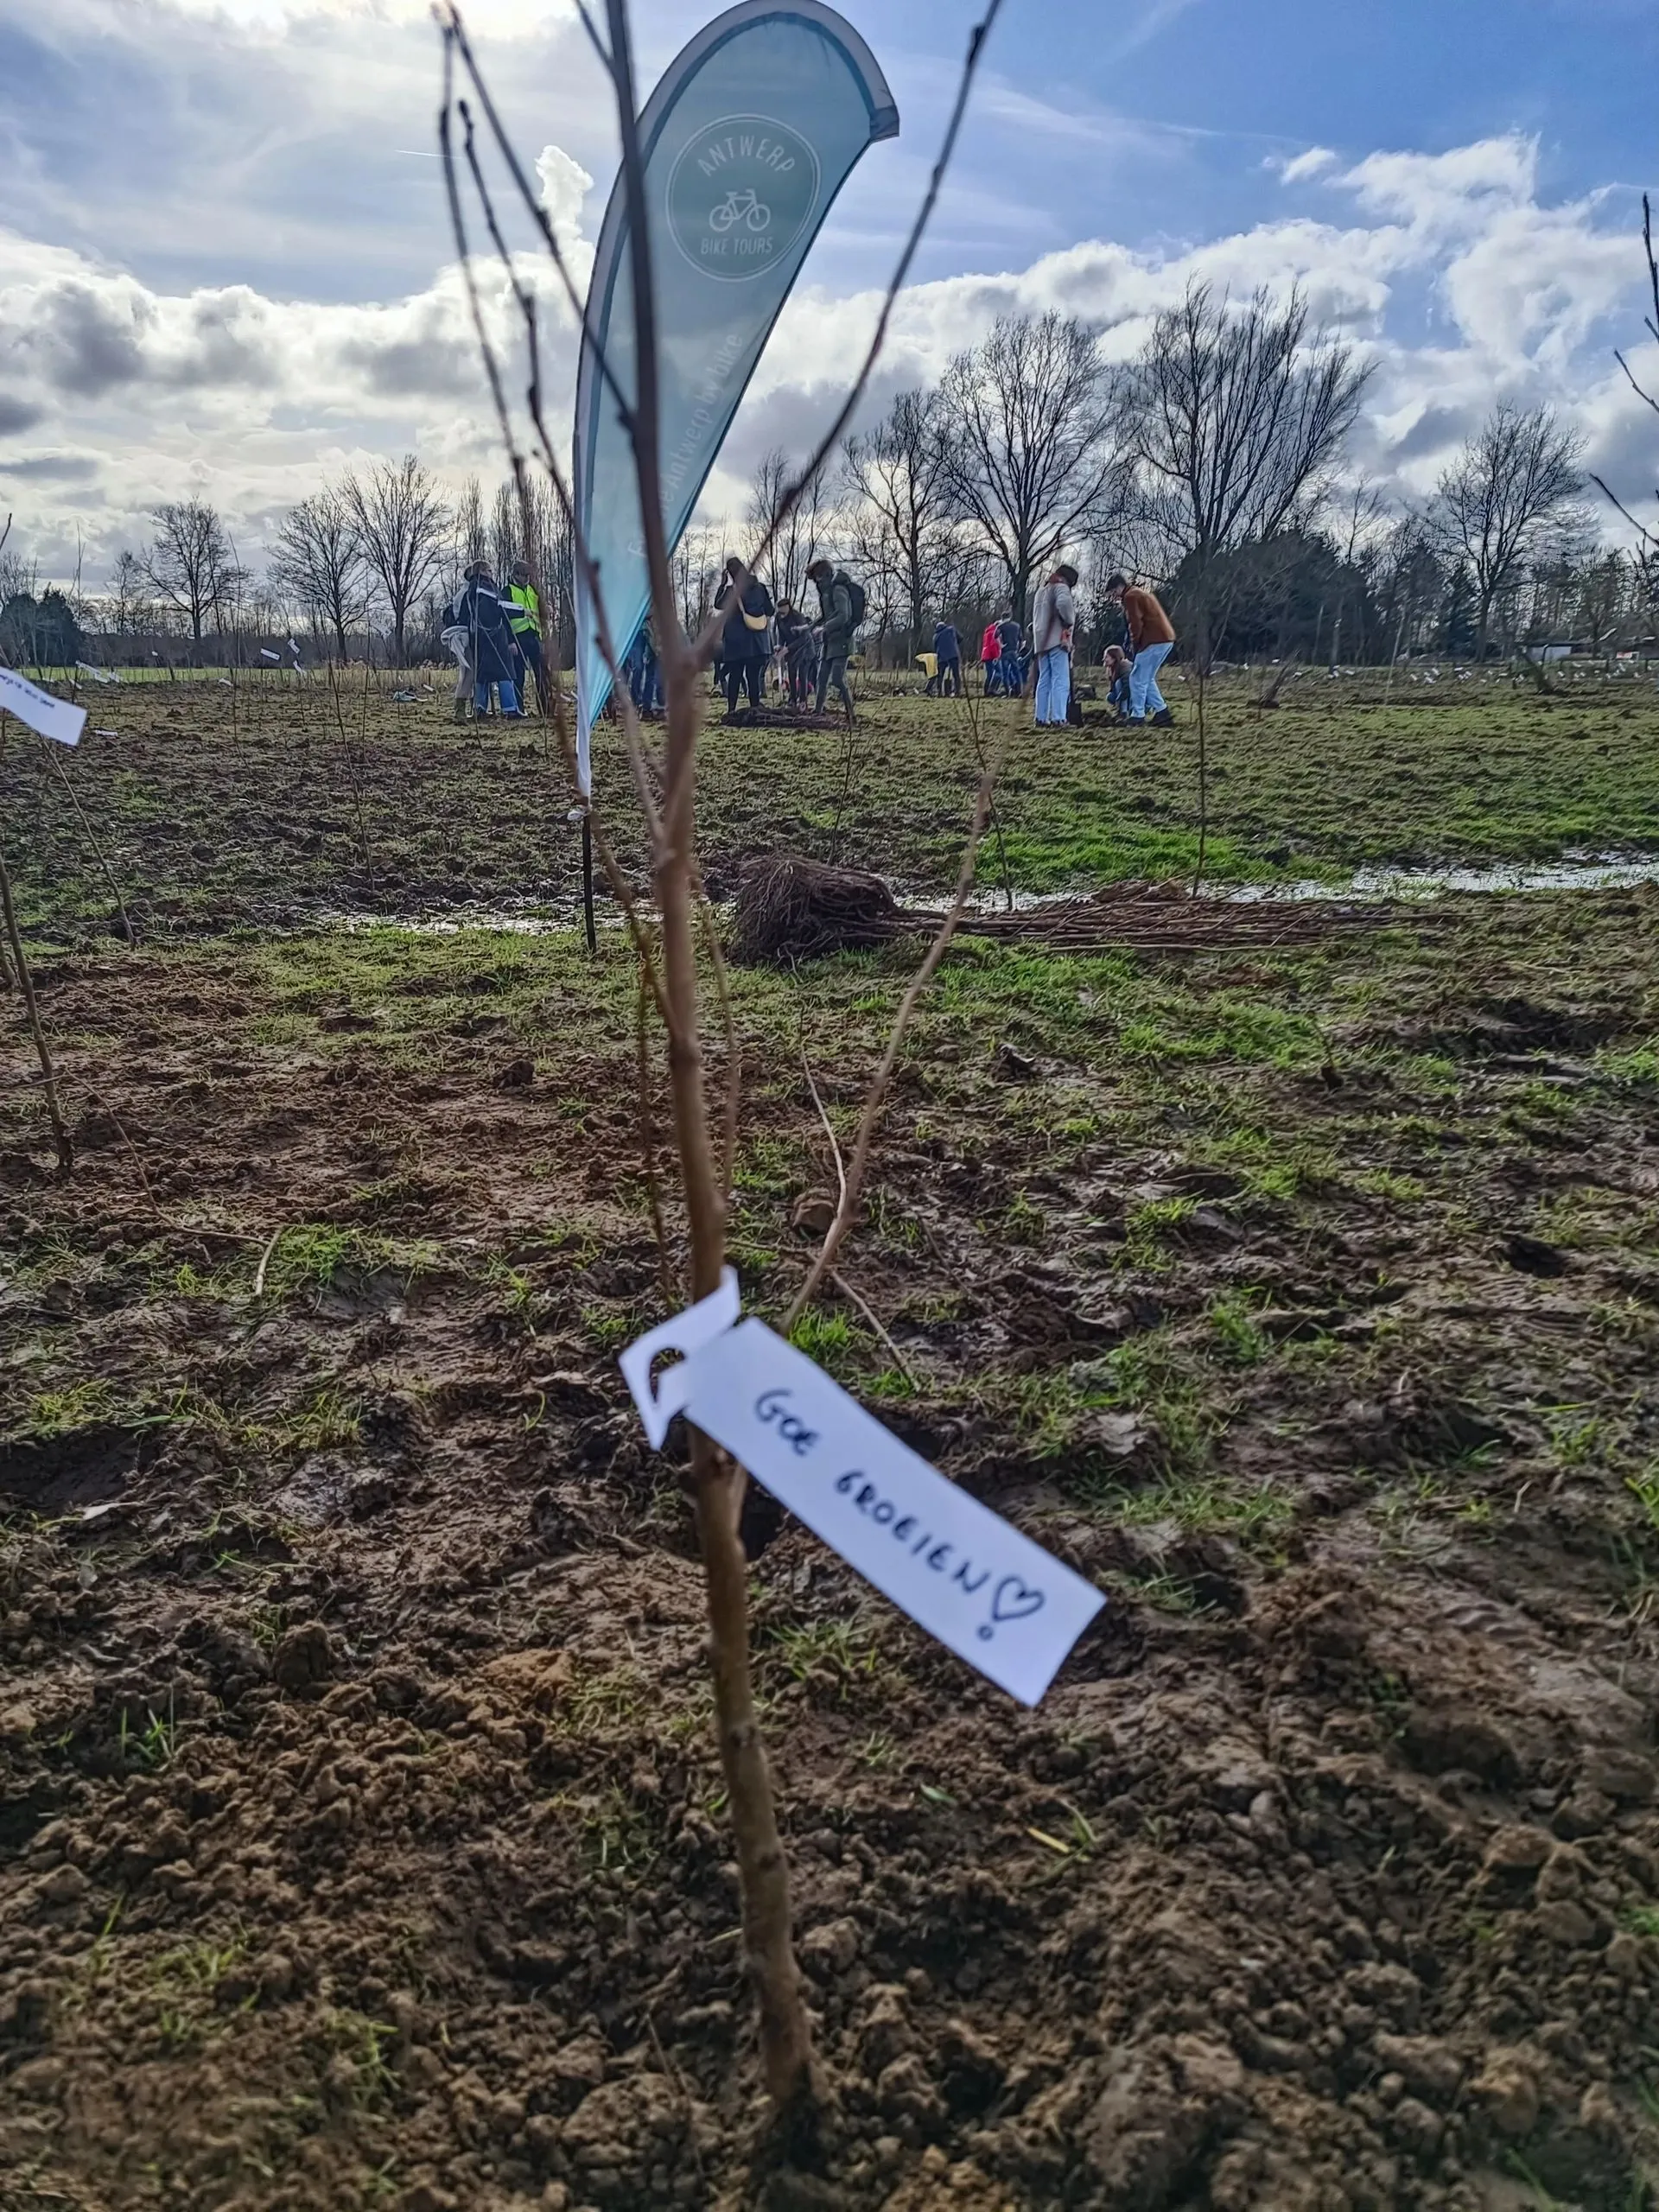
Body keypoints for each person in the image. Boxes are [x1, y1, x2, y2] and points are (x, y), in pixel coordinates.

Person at [450, 562, 523, 719]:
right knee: (504, 672)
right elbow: (499, 607)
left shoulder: (470, 590)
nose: (491, 573)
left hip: (477, 636)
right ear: (482, 571)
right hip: (492, 636)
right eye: (489, 570)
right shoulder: (483, 588)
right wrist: (523, 611)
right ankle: (509, 708)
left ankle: (479, 707)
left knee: (481, 673)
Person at [1106, 572, 1176, 726]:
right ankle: (1162, 712)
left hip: (1153, 640)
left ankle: (1138, 715)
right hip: (1165, 638)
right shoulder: (1139, 593)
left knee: (1136, 678)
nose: (1114, 597)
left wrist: (1134, 643)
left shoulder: (1130, 597)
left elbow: (1135, 623)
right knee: (1146, 678)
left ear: (1119, 586)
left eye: (1113, 592)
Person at [714, 556, 774, 717]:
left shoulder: (731, 592)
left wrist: (722, 584)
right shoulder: (760, 588)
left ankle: (731, 710)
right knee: (753, 677)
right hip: (757, 641)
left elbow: (718, 604)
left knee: (735, 676)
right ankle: (755, 708)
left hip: (736, 642)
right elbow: (770, 610)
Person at [808, 557, 858, 718]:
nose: (816, 582)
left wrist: (824, 628)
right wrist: (809, 627)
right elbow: (826, 616)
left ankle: (851, 713)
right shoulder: (826, 594)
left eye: (817, 577)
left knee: (837, 679)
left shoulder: (838, 590)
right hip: (828, 642)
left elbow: (844, 615)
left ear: (825, 575)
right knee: (821, 678)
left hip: (842, 641)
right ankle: (818, 711)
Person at [1029, 563, 1078, 727]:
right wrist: (1069, 620)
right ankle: (1059, 717)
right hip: (1057, 639)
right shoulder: (1061, 588)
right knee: (1061, 679)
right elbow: (1064, 606)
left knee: (1044, 679)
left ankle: (1040, 717)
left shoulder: (1041, 590)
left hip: (1041, 641)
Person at [505, 559, 549, 714]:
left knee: (542, 674)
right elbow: (505, 618)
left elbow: (540, 611)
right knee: (518, 676)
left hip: (535, 636)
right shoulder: (507, 591)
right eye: (524, 575)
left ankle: (545, 709)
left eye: (529, 575)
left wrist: (546, 611)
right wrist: (510, 641)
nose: (527, 578)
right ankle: (519, 709)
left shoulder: (532, 590)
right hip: (517, 638)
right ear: (516, 575)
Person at [775, 599, 817, 708]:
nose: (781, 615)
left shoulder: (798, 617)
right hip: (791, 649)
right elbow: (781, 633)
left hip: (805, 647)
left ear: (788, 607)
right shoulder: (778, 617)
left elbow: (804, 638)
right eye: (780, 612)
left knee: (803, 674)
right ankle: (792, 699)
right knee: (791, 673)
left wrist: (787, 648)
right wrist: (780, 645)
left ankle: (803, 701)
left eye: (783, 612)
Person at [995, 612, 1024, 698]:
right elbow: (1021, 640)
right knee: (1017, 672)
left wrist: (1000, 645)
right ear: (1010, 617)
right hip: (1014, 651)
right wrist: (1018, 650)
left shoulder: (1001, 626)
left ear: (1002, 618)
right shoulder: (1017, 626)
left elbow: (995, 636)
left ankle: (1008, 693)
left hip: (1005, 651)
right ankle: (1019, 692)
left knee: (1005, 673)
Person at [932, 618, 962, 697]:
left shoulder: (935, 636)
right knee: (956, 674)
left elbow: (935, 647)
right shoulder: (951, 629)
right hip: (953, 655)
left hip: (942, 657)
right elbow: (960, 639)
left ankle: (939, 692)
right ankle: (957, 691)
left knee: (940, 675)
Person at [1104, 642, 1134, 718]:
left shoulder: (1124, 666)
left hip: (1132, 693)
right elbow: (1113, 688)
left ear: (1114, 657)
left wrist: (1120, 698)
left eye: (1106, 657)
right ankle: (1122, 710)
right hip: (1125, 692)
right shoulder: (1111, 669)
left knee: (1119, 683)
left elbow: (1128, 686)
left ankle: (1124, 712)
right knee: (1110, 696)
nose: (1104, 659)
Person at [980, 619, 1003, 695]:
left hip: (986, 655)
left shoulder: (988, 632)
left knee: (989, 674)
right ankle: (992, 689)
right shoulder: (994, 633)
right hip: (991, 655)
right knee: (998, 673)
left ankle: (986, 690)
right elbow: (993, 645)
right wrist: (996, 656)